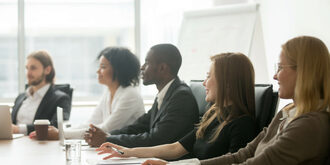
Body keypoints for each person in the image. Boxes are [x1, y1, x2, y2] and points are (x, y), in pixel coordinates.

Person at [143, 36, 330, 165]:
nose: (274, 75)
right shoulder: (287, 112)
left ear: (304, 71)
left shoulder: (310, 124)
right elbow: (243, 155)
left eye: (281, 67)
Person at [96, 53, 257, 161]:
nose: (204, 83)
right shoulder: (214, 116)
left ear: (227, 83)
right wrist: (127, 152)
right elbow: (175, 148)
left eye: (208, 76)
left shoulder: (242, 126)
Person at [84, 43, 199, 148]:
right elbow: (139, 127)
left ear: (162, 68)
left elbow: (155, 139)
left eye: (147, 63)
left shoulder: (181, 97)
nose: (142, 67)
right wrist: (107, 136)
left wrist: (107, 139)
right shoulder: (166, 93)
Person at [30, 47, 146, 140]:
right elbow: (90, 124)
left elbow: (104, 130)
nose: (98, 71)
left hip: (129, 152)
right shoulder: (109, 93)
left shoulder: (130, 95)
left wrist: (61, 134)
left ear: (119, 70)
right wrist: (61, 132)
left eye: (103, 67)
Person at [11, 50, 71, 136]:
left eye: (33, 68)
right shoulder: (20, 97)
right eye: (27, 68)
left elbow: (56, 126)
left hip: (39, 145)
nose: (28, 73)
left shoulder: (61, 99)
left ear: (47, 70)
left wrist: (19, 129)